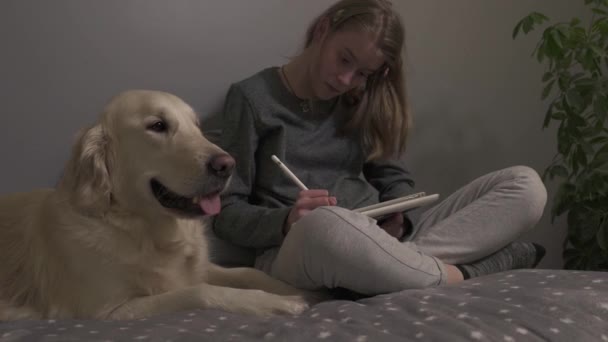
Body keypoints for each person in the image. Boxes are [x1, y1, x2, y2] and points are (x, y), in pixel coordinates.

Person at [213, 0, 547, 296]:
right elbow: (226, 214)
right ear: (323, 29)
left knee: (525, 185)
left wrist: (401, 218)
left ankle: (395, 269)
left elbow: (393, 178)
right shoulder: (252, 98)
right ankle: (467, 274)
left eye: (363, 73)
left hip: (382, 239)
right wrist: (286, 220)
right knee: (328, 223)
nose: (346, 80)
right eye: (344, 59)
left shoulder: (357, 99)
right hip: (302, 245)